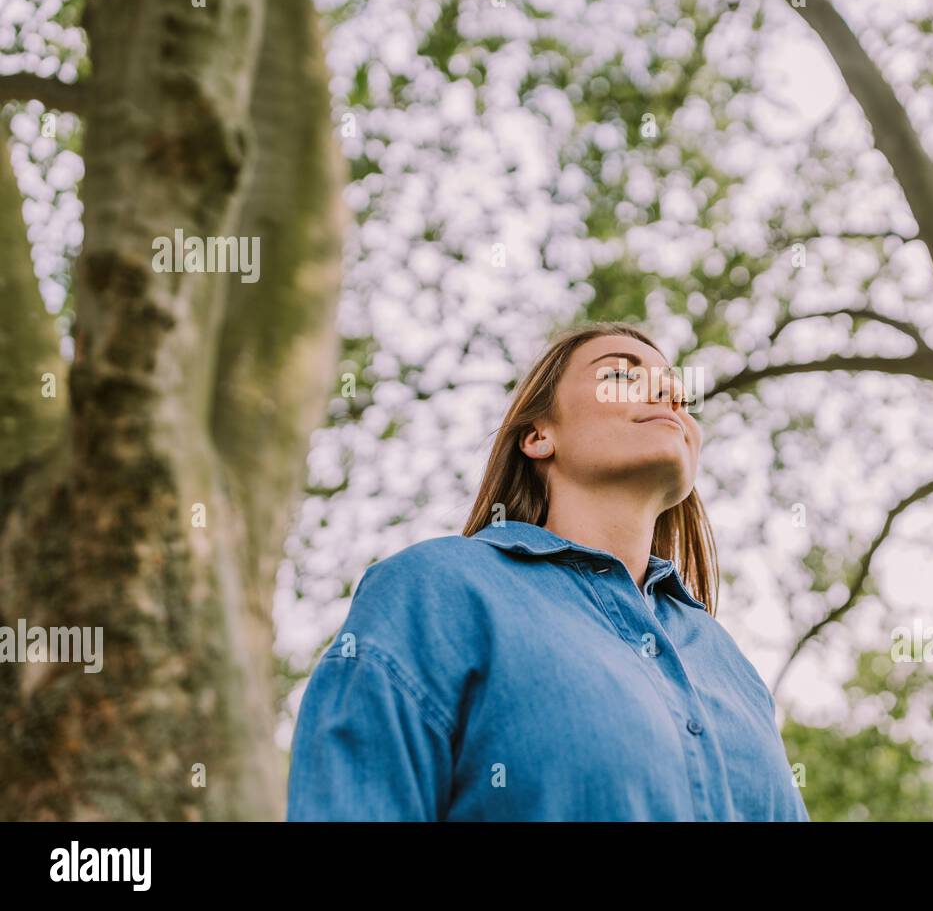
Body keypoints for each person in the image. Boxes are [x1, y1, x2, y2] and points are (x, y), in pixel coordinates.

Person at [286, 321, 811, 820]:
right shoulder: (436, 589)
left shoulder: (729, 663)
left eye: (677, 393)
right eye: (621, 375)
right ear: (539, 435)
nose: (668, 398)